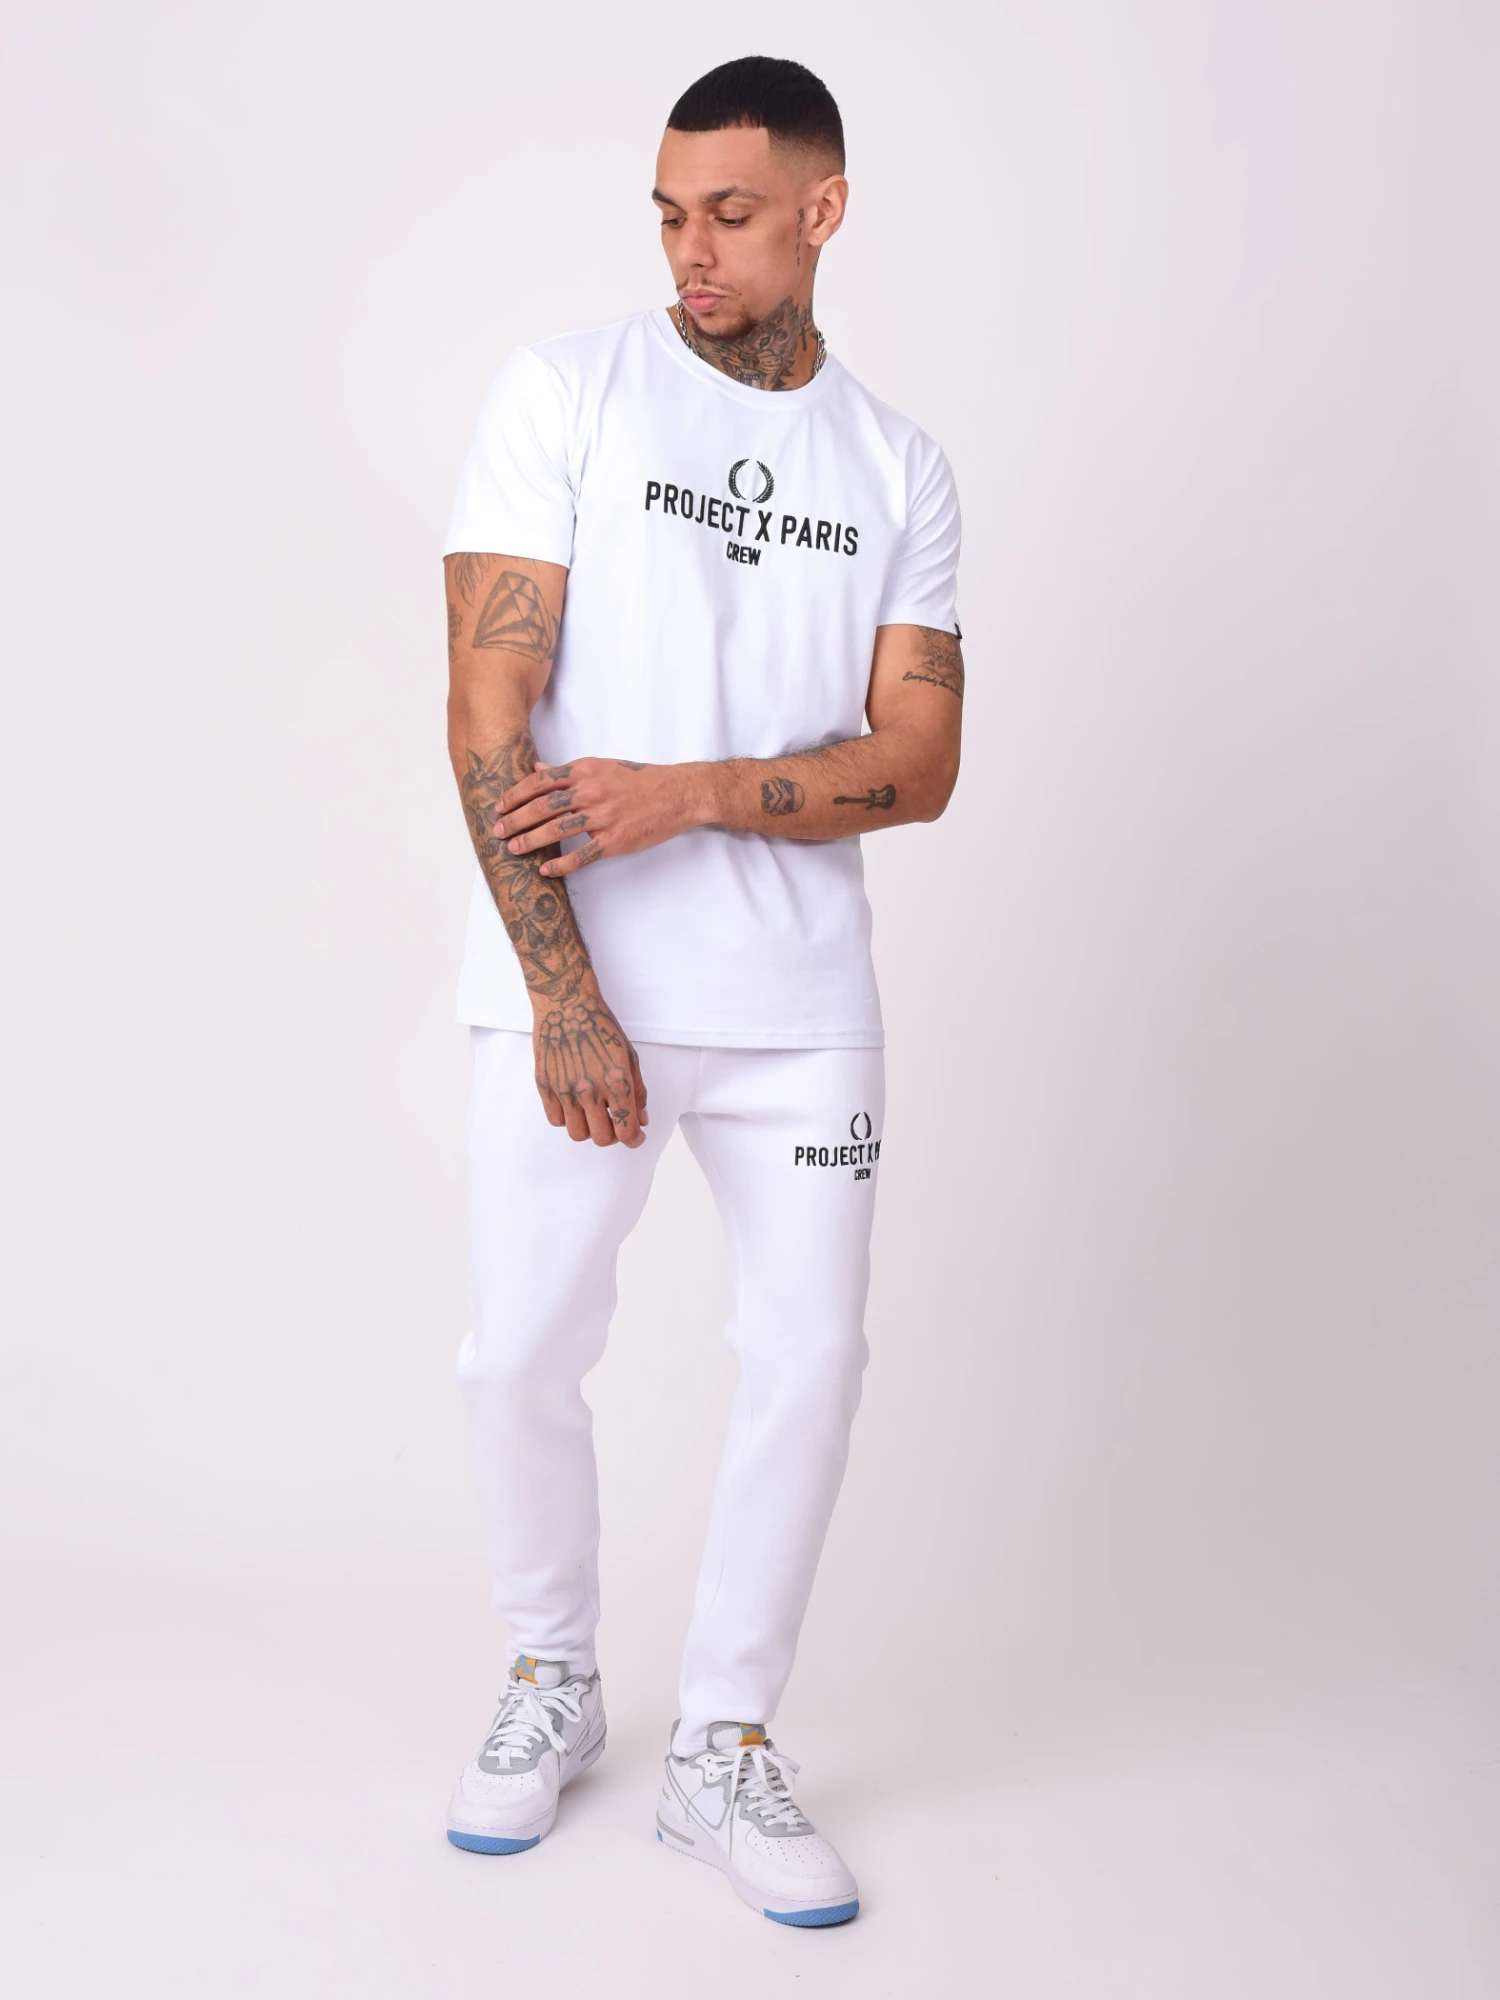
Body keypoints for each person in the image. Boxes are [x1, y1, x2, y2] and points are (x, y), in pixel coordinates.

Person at [440, 54, 963, 1928]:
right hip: (574, 988)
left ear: (824, 209)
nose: (693, 251)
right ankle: (554, 1671)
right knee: (519, 1350)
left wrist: (694, 793)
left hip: (803, 1009)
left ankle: (724, 1743)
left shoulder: (897, 464)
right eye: (670, 214)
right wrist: (568, 998)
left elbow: (921, 763)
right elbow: (486, 711)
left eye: (731, 213)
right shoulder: (565, 390)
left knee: (810, 1365)